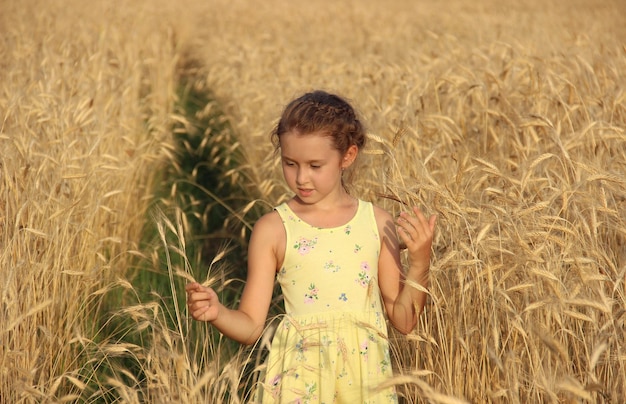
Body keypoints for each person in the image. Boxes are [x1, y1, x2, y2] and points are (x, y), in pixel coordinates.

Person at [186, 90, 437, 403]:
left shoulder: (377, 223)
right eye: (290, 163)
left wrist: (420, 263)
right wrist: (217, 312)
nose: (301, 178)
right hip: (299, 384)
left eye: (315, 166)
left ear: (348, 156)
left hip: (365, 384)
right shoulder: (273, 229)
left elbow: (404, 320)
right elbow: (251, 326)